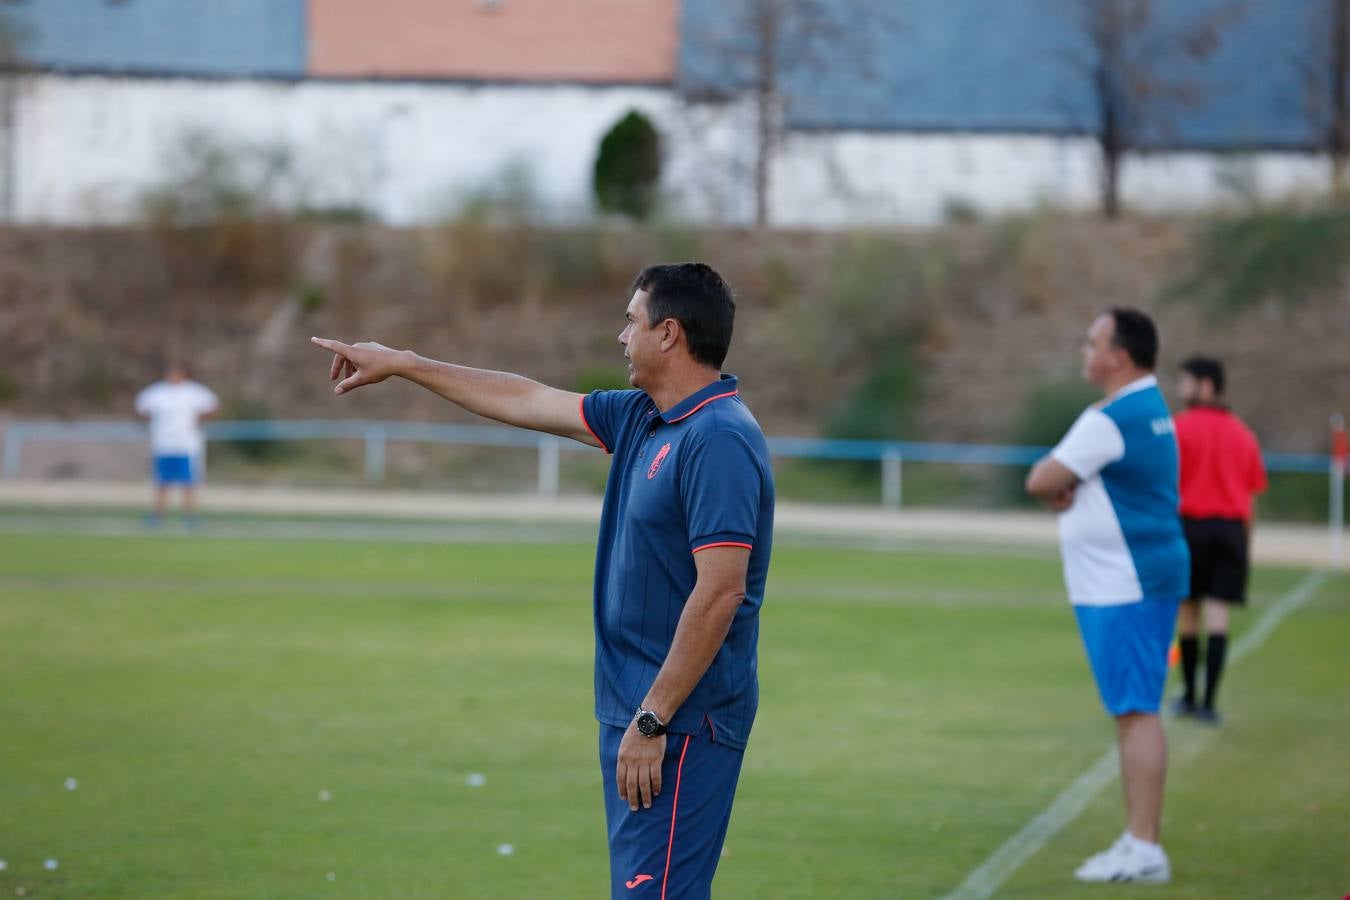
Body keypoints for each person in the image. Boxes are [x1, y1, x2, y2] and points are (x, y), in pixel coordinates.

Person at [311, 262, 774, 899]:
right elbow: (527, 399)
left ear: (668, 334)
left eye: (631, 321)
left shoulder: (718, 437)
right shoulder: (643, 417)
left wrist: (652, 719)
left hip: (678, 723)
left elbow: (721, 591)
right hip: (640, 713)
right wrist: (406, 364)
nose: (621, 336)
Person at [1025, 308, 1189, 885]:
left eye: (1091, 341)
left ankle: (1144, 847)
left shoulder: (1112, 416)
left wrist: (1061, 483)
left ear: (1118, 355)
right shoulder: (1148, 407)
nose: (1083, 350)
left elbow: (1041, 478)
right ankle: (1137, 840)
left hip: (1126, 582)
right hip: (1137, 577)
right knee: (1133, 710)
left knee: (1136, 711)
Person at [1172, 357, 1267, 724]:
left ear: (1207, 385)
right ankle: (1209, 704)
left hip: (1190, 528)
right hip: (1230, 532)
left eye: (1186, 383)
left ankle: (1190, 698)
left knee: (1188, 613)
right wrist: (1246, 544)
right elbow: (1251, 494)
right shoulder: (1243, 433)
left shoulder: (1179, 429)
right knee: (1218, 615)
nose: (1181, 390)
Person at [134, 362, 219, 524]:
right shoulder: (157, 392)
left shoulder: (193, 392)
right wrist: (154, 423)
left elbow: (213, 406)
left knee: (188, 482)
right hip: (164, 444)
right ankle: (158, 515)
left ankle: (190, 515)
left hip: (187, 445)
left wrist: (199, 421)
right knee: (161, 482)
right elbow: (141, 407)